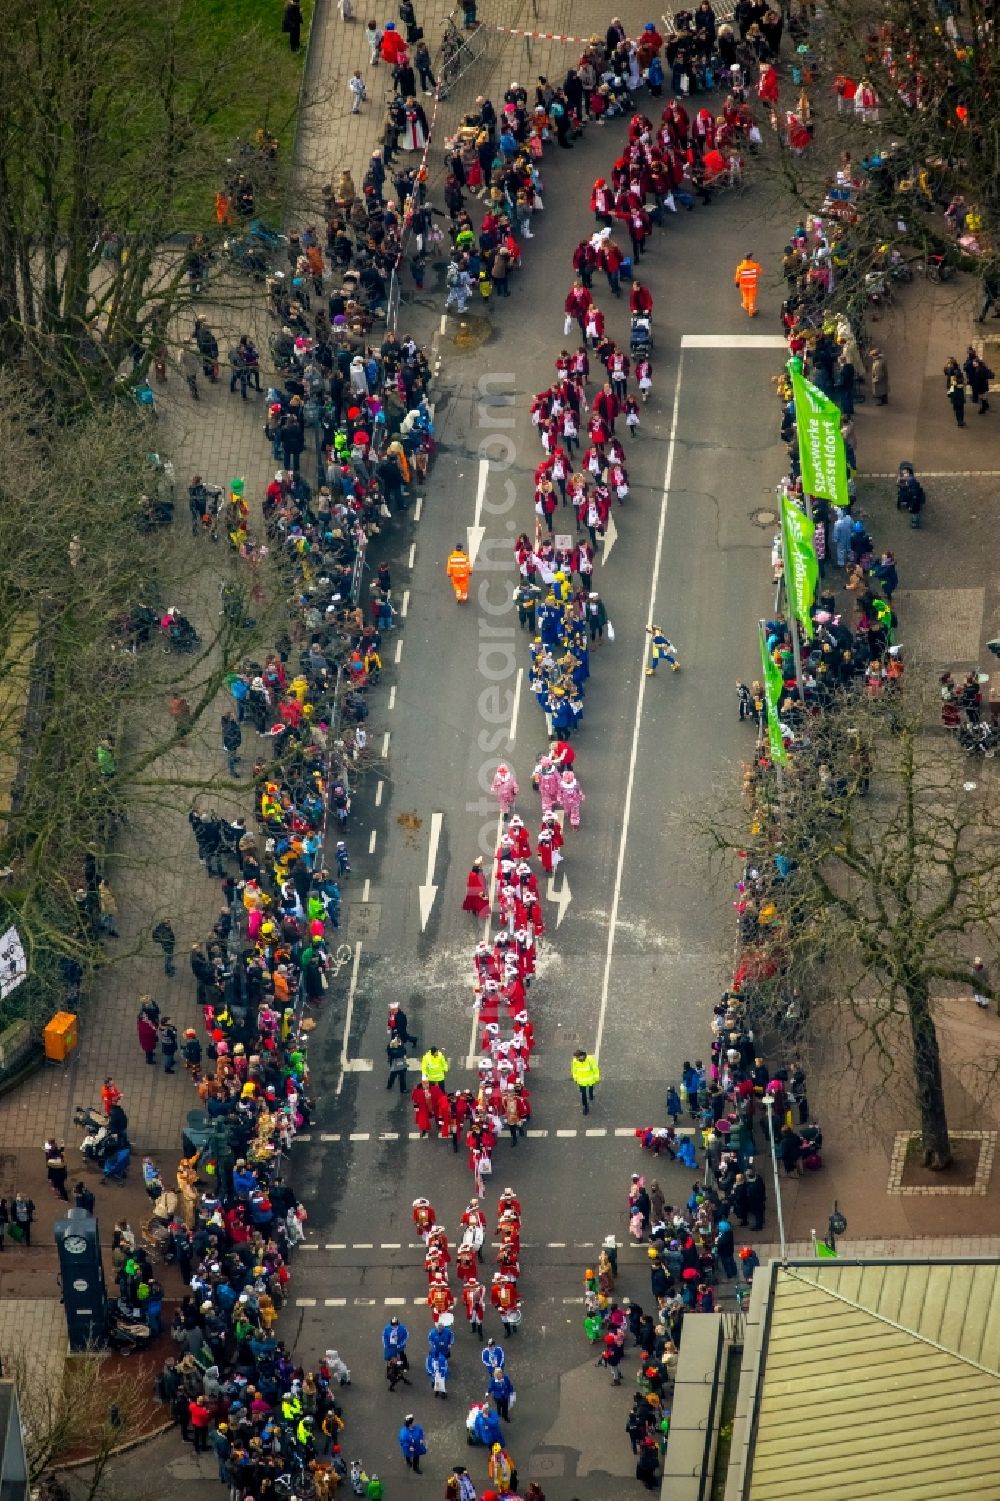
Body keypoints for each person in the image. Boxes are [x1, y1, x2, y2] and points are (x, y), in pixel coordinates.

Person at [571, 1049, 600, 1115]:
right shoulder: (575, 1061)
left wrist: (596, 1077)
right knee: (583, 1095)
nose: (576, 1059)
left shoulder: (590, 1059)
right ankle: (585, 1107)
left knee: (591, 1088)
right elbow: (574, 1070)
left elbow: (595, 1068)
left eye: (577, 1057)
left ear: (582, 1056)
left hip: (590, 1079)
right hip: (581, 1081)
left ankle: (591, 1095)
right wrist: (575, 1078)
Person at [733, 252, 762, 316]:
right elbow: (760, 271)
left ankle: (746, 306)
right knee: (751, 297)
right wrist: (757, 264)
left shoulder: (740, 267)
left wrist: (737, 282)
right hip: (752, 285)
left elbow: (737, 276)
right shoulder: (755, 266)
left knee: (745, 295)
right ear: (750, 258)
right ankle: (751, 311)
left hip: (743, 285)